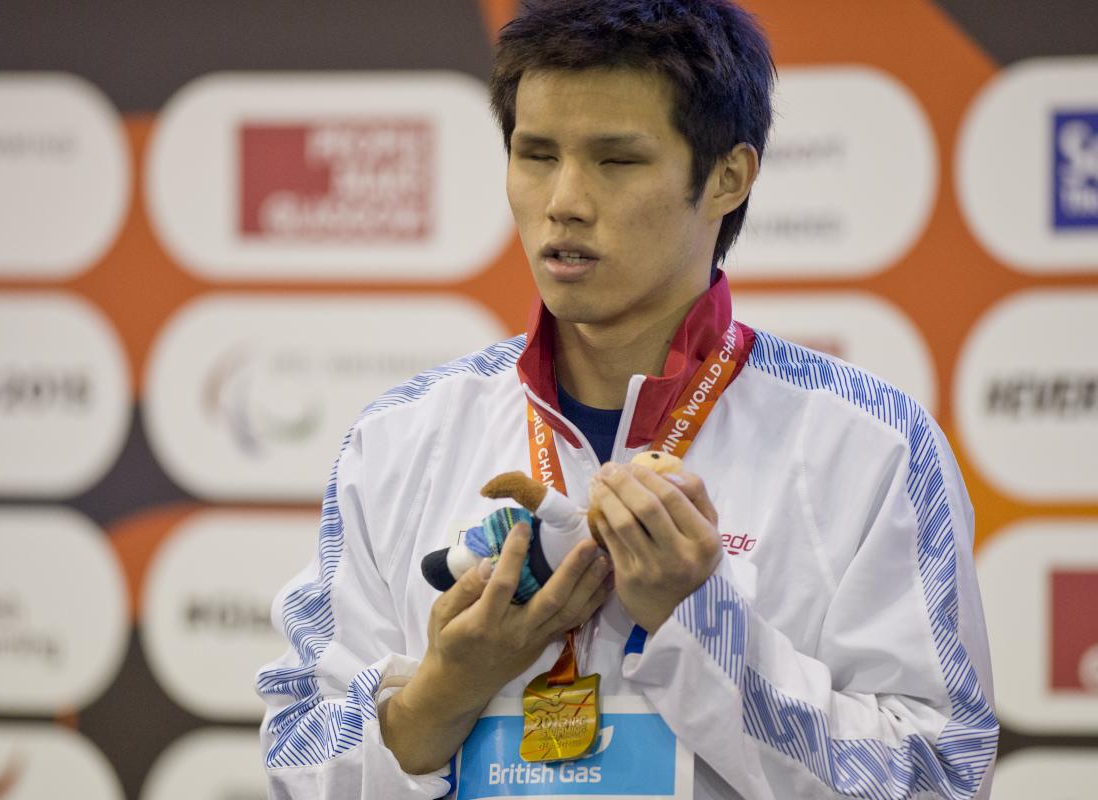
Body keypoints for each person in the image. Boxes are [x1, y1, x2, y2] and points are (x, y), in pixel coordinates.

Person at [256, 0, 999, 797]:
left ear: (727, 176)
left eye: (616, 161)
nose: (564, 201)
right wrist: (444, 688)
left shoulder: (870, 445)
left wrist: (697, 626)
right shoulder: (400, 438)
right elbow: (296, 757)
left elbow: (940, 778)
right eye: (535, 154)